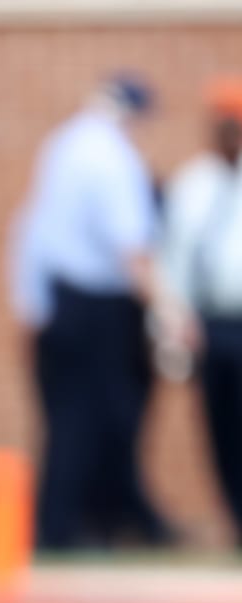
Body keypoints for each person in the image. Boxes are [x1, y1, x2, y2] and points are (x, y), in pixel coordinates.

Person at [11, 74, 173, 551]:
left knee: (68, 418)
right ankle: (71, 526)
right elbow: (131, 247)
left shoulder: (61, 145)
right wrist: (168, 309)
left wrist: (32, 304)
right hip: (97, 305)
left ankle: (77, 521)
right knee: (96, 419)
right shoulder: (110, 157)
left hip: (61, 302)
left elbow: (30, 232)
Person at [161, 78, 242, 546]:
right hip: (210, 324)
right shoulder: (193, 185)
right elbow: (174, 260)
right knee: (220, 428)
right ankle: (236, 520)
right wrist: (175, 322)